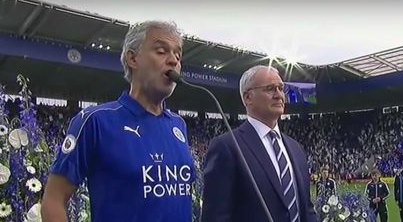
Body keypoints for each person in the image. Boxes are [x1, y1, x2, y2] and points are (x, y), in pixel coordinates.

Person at [41, 21, 195, 222]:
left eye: (178, 54)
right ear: (133, 58)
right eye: (161, 51)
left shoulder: (178, 125)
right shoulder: (94, 121)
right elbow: (53, 199)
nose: (174, 60)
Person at [201, 65, 317, 222]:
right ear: (248, 97)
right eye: (270, 89)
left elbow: (307, 210)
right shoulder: (227, 146)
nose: (279, 95)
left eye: (281, 88)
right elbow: (215, 217)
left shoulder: (296, 148)